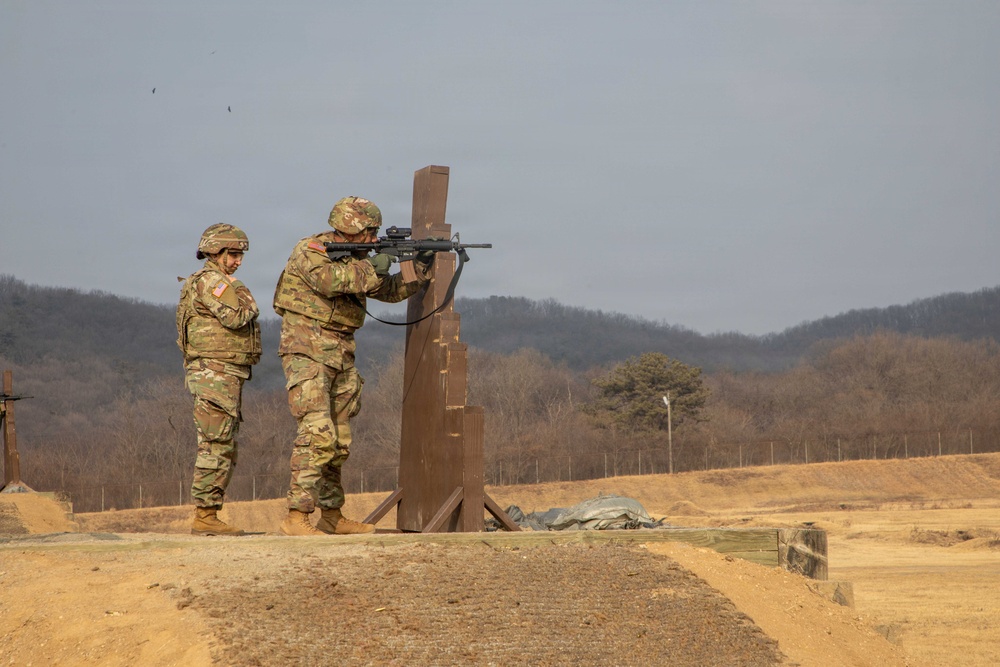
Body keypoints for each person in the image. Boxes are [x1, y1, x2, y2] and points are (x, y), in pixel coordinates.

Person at [273, 196, 433, 536]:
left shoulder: (358, 259)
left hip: (341, 352)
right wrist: (377, 263)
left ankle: (331, 515)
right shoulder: (312, 250)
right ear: (351, 227)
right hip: (308, 350)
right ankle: (295, 517)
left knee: (338, 440)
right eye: (370, 232)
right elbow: (331, 282)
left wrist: (418, 268)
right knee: (318, 435)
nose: (373, 239)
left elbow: (387, 291)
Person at [176, 223, 262, 536]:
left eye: (240, 255)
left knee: (221, 442)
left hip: (221, 373)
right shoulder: (214, 281)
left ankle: (208, 513)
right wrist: (242, 290)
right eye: (234, 254)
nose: (238, 261)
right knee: (215, 443)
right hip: (215, 374)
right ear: (216, 252)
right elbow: (237, 316)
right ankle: (205, 515)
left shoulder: (209, 279)